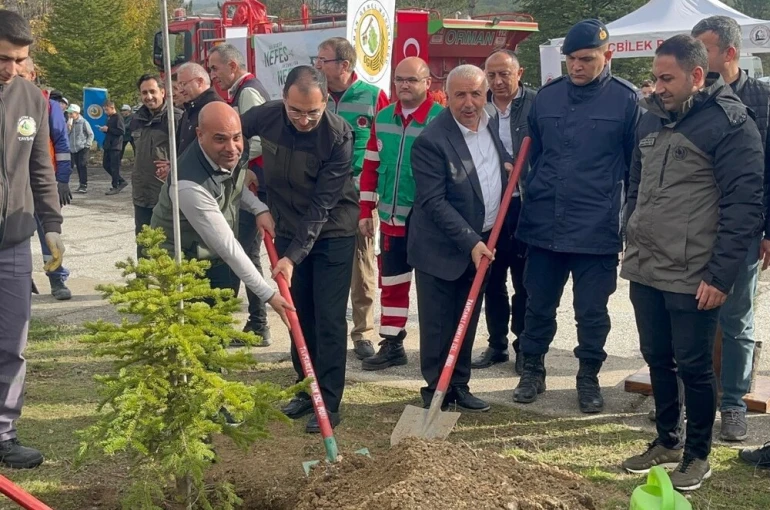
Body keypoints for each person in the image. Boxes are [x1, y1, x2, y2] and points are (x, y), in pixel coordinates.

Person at [620, 34, 764, 491]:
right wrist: (630, 230)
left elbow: (746, 207)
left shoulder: (730, 124)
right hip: (646, 267)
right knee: (657, 357)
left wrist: (720, 276)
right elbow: (636, 181)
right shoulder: (650, 117)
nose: (656, 86)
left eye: (667, 78)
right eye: (655, 77)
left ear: (697, 76)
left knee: (695, 365)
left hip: (693, 273)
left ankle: (697, 454)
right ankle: (666, 440)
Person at [513, 19, 640, 414]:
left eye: (587, 59)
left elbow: (635, 167)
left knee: (591, 311)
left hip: (596, 227)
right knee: (537, 305)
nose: (577, 67)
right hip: (545, 222)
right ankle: (532, 371)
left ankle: (588, 377)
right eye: (571, 59)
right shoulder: (546, 98)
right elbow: (533, 156)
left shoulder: (627, 100)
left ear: (608, 56)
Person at [240, 66, 359, 433]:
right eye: (296, 111)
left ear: (326, 102)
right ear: (284, 99)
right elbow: (230, 131)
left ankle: (329, 400)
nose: (304, 119)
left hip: (332, 231)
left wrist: (292, 257)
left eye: (313, 112)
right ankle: (305, 389)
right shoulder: (267, 115)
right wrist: (242, 165)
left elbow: (322, 206)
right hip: (287, 225)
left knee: (327, 316)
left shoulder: (338, 136)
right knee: (298, 313)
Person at [408, 64, 513, 412]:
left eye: (476, 94)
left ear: (486, 94)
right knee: (439, 325)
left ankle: (460, 385)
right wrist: (470, 241)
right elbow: (433, 201)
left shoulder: (491, 125)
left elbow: (491, 169)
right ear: (446, 96)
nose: (469, 103)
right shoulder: (431, 141)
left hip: (482, 243)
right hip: (442, 249)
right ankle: (436, 391)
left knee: (467, 319)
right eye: (460, 95)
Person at [692, 15, 770, 442]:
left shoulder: (761, 99)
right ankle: (691, 398)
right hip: (693, 228)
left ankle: (734, 404)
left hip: (742, 230)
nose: (697, 60)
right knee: (689, 317)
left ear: (730, 53)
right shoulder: (692, 96)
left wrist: (768, 229)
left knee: (737, 320)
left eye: (704, 51)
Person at [149, 101, 292, 324]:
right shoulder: (188, 184)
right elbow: (227, 246)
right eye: (220, 139)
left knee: (219, 319)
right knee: (191, 329)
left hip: (210, 252)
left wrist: (259, 208)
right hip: (180, 259)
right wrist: (269, 295)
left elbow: (232, 186)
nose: (232, 147)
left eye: (236, 137)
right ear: (200, 135)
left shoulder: (229, 153)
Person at [0, 9, 65, 469]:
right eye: (3, 58)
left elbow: (42, 172)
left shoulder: (33, 100)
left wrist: (53, 227)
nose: (11, 68)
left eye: (19, 60)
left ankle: (3, 434)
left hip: (14, 240)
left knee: (12, 341)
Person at [358, 57, 443, 371]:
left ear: (427, 83)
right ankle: (392, 344)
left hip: (429, 224)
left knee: (433, 288)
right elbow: (370, 167)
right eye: (399, 79)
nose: (404, 85)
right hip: (391, 222)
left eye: (412, 80)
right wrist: (366, 210)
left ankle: (439, 349)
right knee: (392, 283)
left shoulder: (440, 119)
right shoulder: (382, 118)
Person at [315, 37, 389, 360]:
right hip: (320, 195)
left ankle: (363, 333)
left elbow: (385, 146)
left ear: (344, 66)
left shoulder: (374, 97)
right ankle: (324, 329)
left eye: (323, 60)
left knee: (362, 263)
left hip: (359, 196)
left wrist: (375, 196)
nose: (318, 65)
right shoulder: (315, 96)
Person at [472, 49, 535, 375]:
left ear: (519, 73)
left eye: (504, 74)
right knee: (491, 279)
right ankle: (496, 344)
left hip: (524, 207)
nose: (497, 81)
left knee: (524, 281)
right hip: (490, 207)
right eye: (491, 75)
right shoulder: (477, 107)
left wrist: (523, 175)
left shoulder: (536, 105)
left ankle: (524, 345)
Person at [208, 43, 271, 345]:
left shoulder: (248, 92)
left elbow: (257, 140)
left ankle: (259, 324)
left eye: (215, 68)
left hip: (253, 186)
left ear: (232, 66)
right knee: (242, 252)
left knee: (246, 254)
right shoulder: (240, 92)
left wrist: (240, 166)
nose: (213, 75)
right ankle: (252, 322)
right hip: (247, 183)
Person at [18, 57, 73, 301]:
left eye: (24, 75)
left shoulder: (47, 105)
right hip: (15, 185)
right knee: (16, 236)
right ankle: (20, 279)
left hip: (42, 183)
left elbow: (61, 143)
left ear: (32, 76)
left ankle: (57, 279)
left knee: (48, 235)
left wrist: (61, 179)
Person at [130, 74, 181, 261]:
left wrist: (174, 166)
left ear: (163, 92)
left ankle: (168, 288)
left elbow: (188, 153)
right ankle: (142, 286)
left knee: (166, 244)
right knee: (143, 243)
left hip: (166, 194)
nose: (149, 97)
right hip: (141, 193)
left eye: (152, 91)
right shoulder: (137, 119)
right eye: (144, 93)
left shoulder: (176, 119)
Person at [176, 62, 224, 155]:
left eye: (183, 84)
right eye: (179, 85)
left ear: (199, 82)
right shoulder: (190, 108)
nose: (180, 90)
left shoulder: (215, 108)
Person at [66, 104, 94, 194]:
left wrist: (87, 145)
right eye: (69, 113)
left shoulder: (83, 122)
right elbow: (66, 135)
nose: (70, 115)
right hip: (72, 148)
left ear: (77, 113)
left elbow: (90, 134)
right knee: (74, 166)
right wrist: (68, 128)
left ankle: (83, 185)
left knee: (82, 165)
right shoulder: (69, 122)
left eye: (71, 113)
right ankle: (71, 184)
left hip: (82, 147)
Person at [100, 101, 126, 195]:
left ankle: (115, 185)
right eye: (104, 110)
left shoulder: (118, 117)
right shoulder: (110, 118)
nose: (106, 112)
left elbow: (121, 131)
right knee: (106, 165)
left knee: (114, 167)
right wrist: (105, 130)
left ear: (112, 107)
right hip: (108, 145)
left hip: (115, 146)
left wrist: (109, 129)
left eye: (107, 110)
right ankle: (121, 180)